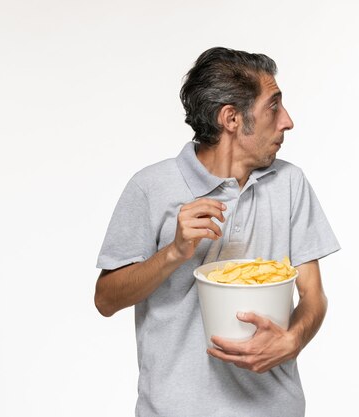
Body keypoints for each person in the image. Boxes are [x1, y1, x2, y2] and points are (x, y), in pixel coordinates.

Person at [95, 47, 340, 417]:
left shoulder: (290, 183)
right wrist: (174, 252)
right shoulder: (151, 187)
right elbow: (106, 299)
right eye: (274, 106)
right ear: (231, 118)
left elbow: (313, 295)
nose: (287, 121)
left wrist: (293, 340)